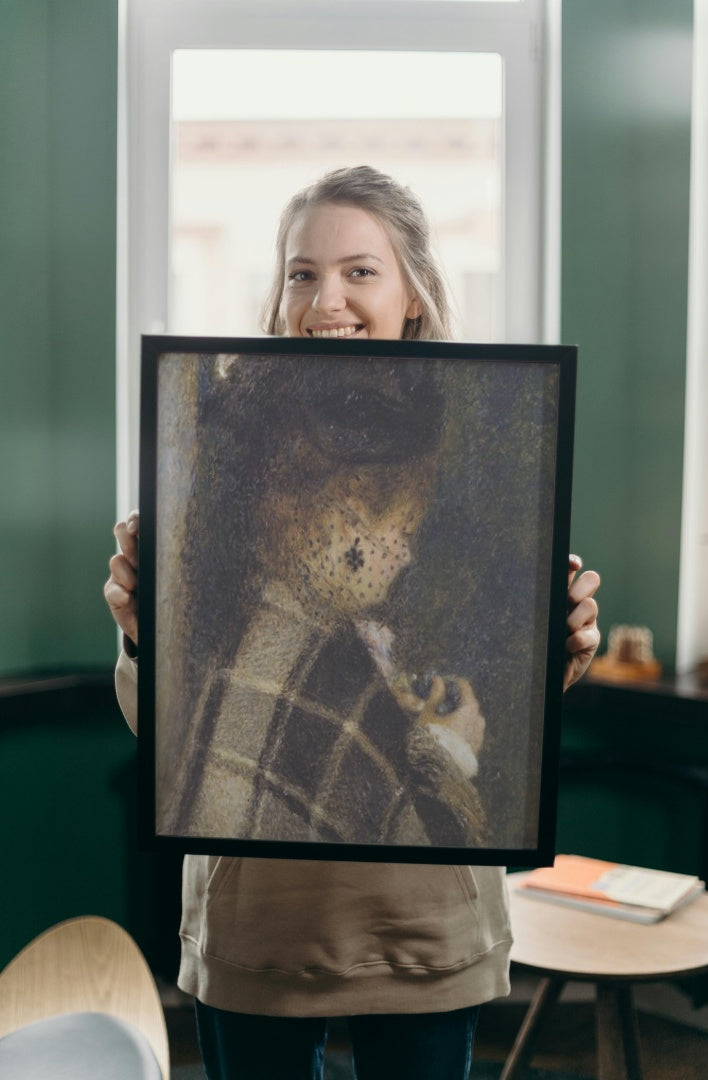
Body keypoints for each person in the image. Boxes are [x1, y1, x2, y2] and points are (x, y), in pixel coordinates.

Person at [105, 166, 601, 1080]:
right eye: (301, 272)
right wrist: (145, 636)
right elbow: (175, 735)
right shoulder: (221, 442)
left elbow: (496, 719)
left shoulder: (484, 429)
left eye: (359, 271)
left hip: (421, 926)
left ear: (412, 291)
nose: (324, 298)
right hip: (259, 927)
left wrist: (553, 652)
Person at [163, 357, 488, 848]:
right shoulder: (333, 672)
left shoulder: (256, 622)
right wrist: (449, 750)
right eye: (402, 530)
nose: (406, 555)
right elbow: (427, 859)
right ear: (350, 521)